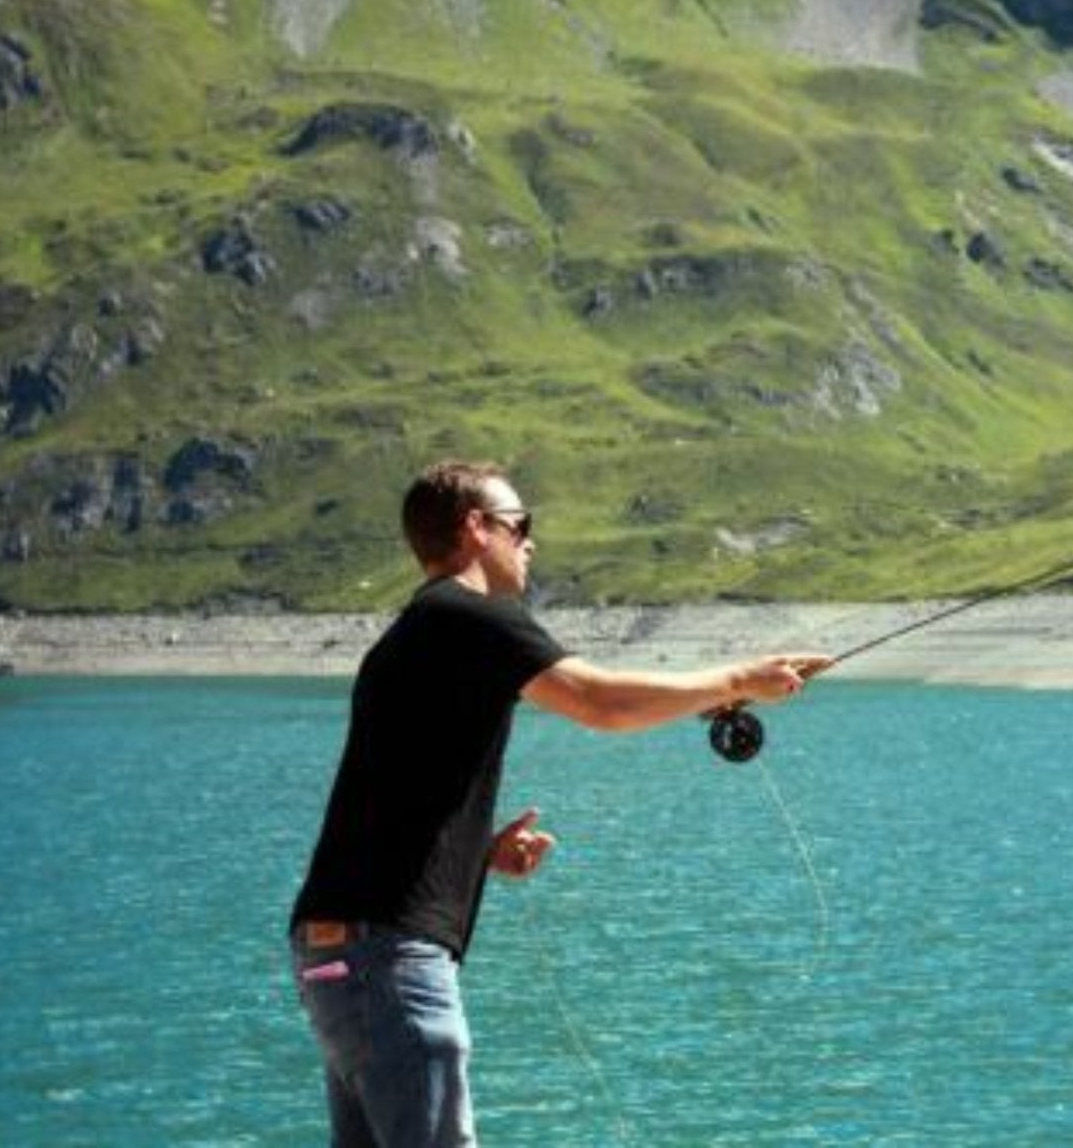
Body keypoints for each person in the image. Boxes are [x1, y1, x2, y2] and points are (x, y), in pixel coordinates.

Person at [289, 459, 829, 1147]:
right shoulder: (470, 616)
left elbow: (384, 801)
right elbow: (600, 701)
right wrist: (738, 677)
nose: (531, 543)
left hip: (338, 959)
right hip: (388, 961)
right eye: (521, 526)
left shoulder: (418, 634)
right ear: (476, 529)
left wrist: (475, 856)